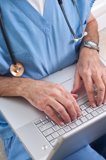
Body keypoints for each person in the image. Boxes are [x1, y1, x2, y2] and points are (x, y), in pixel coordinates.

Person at [0, 0, 106, 159]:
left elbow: (89, 21)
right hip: (27, 113)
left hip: (82, 90)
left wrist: (90, 48)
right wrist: (23, 87)